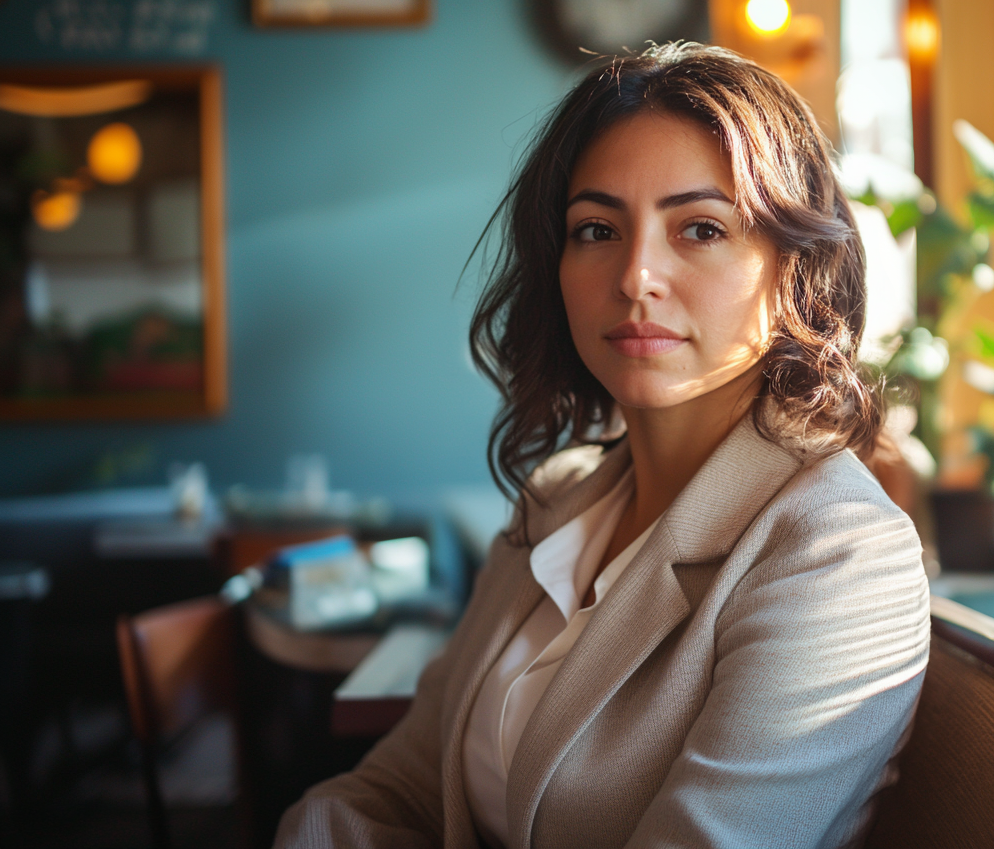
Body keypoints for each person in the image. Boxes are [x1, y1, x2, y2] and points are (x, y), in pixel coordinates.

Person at [275, 42, 930, 849]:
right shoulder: (556, 499)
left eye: (699, 228)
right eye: (596, 229)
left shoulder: (838, 554)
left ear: (794, 267)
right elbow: (402, 784)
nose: (636, 276)